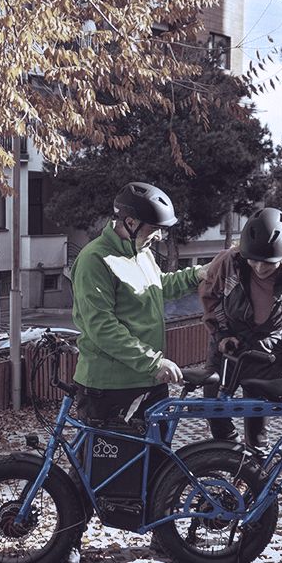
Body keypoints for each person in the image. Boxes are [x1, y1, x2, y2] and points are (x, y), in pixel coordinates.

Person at [70, 181, 208, 424]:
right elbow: (102, 327)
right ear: (130, 222)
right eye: (154, 228)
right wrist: (153, 362)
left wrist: (197, 274)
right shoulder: (95, 259)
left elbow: (158, 286)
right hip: (111, 387)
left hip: (149, 379)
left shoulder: (141, 252)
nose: (159, 236)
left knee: (158, 449)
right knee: (115, 451)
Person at [199, 207, 282, 452]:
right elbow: (209, 295)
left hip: (267, 351)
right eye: (253, 260)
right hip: (228, 345)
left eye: (267, 263)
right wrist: (222, 333)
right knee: (213, 406)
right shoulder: (229, 262)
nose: (258, 267)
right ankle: (231, 454)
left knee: (257, 417)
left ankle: (256, 464)